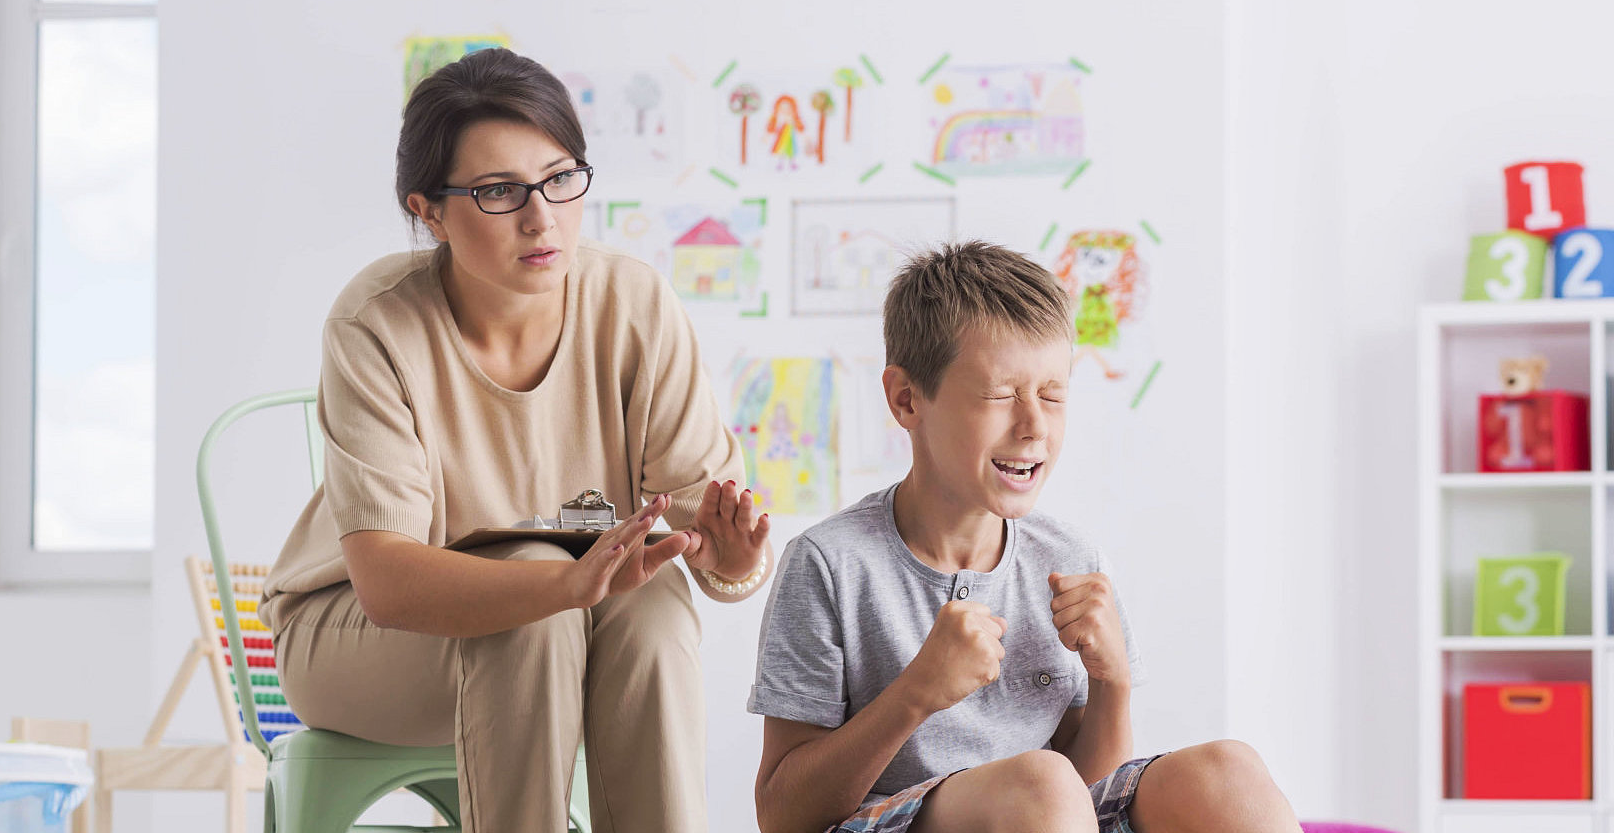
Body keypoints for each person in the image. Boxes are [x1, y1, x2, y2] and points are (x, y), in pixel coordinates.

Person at [257, 48, 772, 833]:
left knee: (656, 602)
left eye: (560, 178)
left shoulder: (632, 302)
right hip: (354, 633)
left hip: (565, 614)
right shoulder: (376, 322)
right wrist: (560, 587)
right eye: (499, 191)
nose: (542, 218)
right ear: (429, 211)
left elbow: (706, 519)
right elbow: (386, 583)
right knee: (532, 600)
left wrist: (730, 562)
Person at [748, 241, 1300, 833]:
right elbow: (784, 815)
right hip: (890, 820)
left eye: (1052, 395)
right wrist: (916, 693)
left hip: (1048, 811)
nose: (1034, 425)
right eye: (1000, 395)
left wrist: (1112, 683)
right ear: (907, 400)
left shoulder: (1069, 559)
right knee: (1041, 782)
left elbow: (1092, 796)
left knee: (1229, 771)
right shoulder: (830, 564)